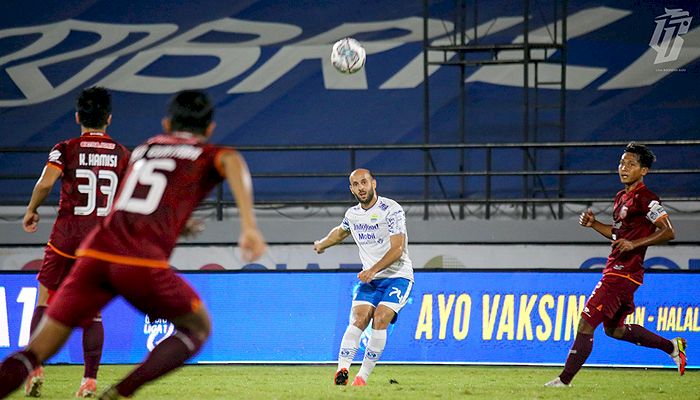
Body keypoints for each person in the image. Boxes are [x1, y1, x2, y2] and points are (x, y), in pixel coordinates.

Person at [0, 90, 267, 399]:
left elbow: (130, 203)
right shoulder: (201, 154)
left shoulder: (143, 150)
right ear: (210, 129)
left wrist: (178, 222)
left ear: (167, 123)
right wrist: (249, 227)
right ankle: (120, 392)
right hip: (139, 261)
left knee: (35, 350)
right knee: (198, 326)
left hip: (94, 252)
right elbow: (232, 161)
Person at [545, 143, 686, 387]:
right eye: (622, 163)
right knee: (615, 331)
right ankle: (672, 347)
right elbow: (617, 234)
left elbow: (668, 232)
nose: (623, 168)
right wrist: (594, 225)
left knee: (586, 322)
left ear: (644, 171)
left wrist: (635, 244)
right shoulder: (621, 197)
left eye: (631, 164)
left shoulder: (647, 199)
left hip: (623, 273)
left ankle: (564, 381)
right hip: (617, 269)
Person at [22, 86, 130, 397]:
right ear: (108, 119)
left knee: (44, 300)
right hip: (100, 243)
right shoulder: (124, 155)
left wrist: (32, 210)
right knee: (93, 312)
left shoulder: (64, 148)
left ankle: (35, 368)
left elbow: (45, 183)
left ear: (78, 116)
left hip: (65, 240)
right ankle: (89, 381)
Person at [314, 169, 414, 386]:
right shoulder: (352, 215)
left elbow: (398, 249)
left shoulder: (392, 210)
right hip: (371, 279)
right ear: (351, 189)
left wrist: (372, 270)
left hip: (398, 276)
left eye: (364, 182)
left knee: (380, 318)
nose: (361, 187)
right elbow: (341, 232)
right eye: (356, 184)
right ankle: (342, 370)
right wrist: (322, 244)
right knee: (358, 319)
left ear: (374, 184)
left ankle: (362, 378)